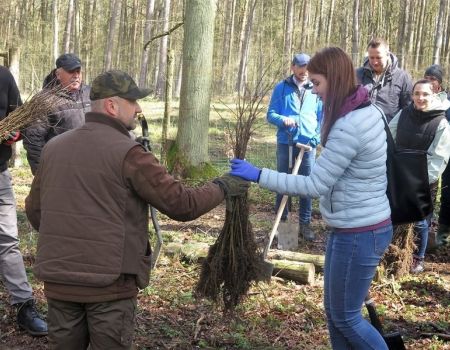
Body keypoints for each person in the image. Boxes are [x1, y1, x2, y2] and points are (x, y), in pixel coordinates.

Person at [25, 70, 249, 350]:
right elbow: (182, 204)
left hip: (59, 284)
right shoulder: (129, 154)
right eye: (133, 101)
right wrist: (223, 186)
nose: (139, 109)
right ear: (112, 105)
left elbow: (35, 212)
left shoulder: (54, 148)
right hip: (109, 289)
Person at [230, 47, 393, 350]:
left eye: (317, 83)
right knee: (335, 315)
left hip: (360, 231)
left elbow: (316, 184)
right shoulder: (364, 109)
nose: (314, 91)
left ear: (335, 79)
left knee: (346, 318)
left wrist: (258, 175)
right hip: (350, 226)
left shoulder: (350, 124)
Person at [0, 65, 48, 336]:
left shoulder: (3, 76)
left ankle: (23, 307)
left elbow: (19, 119)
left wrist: (12, 133)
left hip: (0, 176)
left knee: (8, 242)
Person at [389, 79, 450, 273]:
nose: (420, 98)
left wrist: (422, 182)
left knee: (421, 220)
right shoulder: (404, 113)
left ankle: (418, 258)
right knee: (394, 213)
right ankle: (393, 250)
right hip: (399, 174)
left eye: (425, 94)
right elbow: (389, 135)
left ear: (433, 95)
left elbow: (439, 158)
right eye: (417, 94)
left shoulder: (440, 123)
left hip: (423, 181)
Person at [266, 53, 322, 241]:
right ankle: (283, 226)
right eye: (301, 67)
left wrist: (317, 137)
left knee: (306, 185)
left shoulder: (316, 88)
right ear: (293, 67)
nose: (304, 71)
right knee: (283, 183)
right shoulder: (281, 88)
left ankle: (305, 225)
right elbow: (271, 114)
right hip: (286, 142)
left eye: (307, 67)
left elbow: (323, 117)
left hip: (308, 145)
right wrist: (283, 120)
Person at [23, 53, 91, 175]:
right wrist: (41, 174)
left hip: (90, 165)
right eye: (71, 71)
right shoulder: (43, 100)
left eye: (78, 71)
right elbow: (33, 139)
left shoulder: (90, 94)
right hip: (60, 169)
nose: (76, 76)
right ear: (58, 74)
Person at [424, 64, 450, 247]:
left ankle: (441, 234)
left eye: (433, 79)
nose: (430, 82)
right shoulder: (421, 97)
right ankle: (437, 235)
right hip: (432, 153)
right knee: (441, 193)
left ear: (439, 84)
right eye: (427, 78)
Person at [356, 37, 413, 122]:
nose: (375, 62)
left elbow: (408, 109)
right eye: (371, 57)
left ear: (387, 55)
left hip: (389, 131)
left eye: (378, 58)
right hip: (360, 128)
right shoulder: (357, 75)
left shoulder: (402, 77)